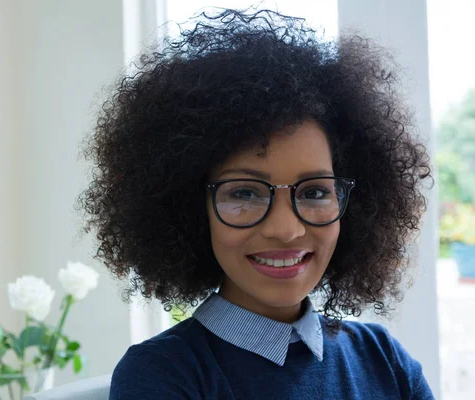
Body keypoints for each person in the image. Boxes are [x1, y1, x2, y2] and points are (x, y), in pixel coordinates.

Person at [80, 8, 435, 400]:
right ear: (191, 209)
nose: (285, 229)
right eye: (245, 193)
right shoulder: (163, 375)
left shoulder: (383, 359)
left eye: (314, 192)